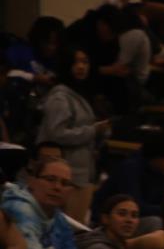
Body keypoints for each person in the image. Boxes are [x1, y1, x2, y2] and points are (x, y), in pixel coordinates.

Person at [35, 47, 110, 223]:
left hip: (82, 174)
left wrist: (100, 133)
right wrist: (93, 131)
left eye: (85, 62)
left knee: (74, 230)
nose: (81, 66)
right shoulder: (60, 97)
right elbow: (56, 134)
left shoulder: (82, 94)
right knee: (61, 228)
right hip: (65, 176)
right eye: (76, 62)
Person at [2, 158, 86, 249]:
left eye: (65, 183)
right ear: (32, 181)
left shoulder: (59, 219)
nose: (57, 187)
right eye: (50, 179)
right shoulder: (20, 209)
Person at [92, 129, 164, 230]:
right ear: (158, 157)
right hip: (109, 223)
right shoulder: (130, 168)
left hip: (133, 219)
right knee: (155, 222)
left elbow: (160, 203)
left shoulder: (159, 173)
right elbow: (136, 206)